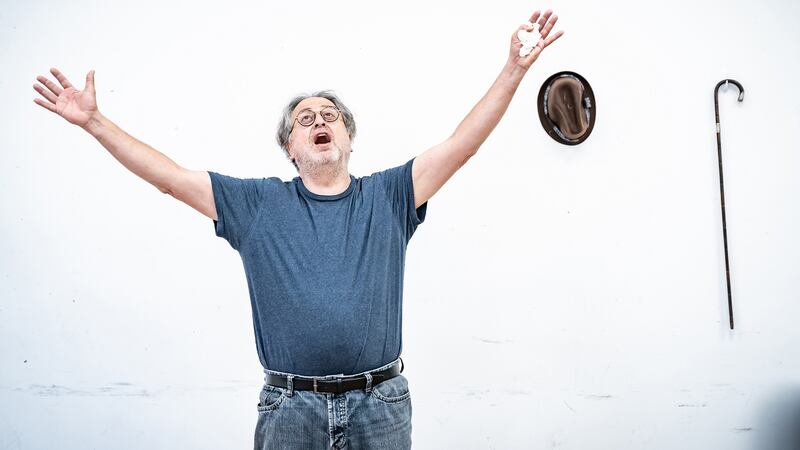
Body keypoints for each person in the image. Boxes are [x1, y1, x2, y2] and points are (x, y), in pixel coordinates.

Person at [33, 9, 563, 450]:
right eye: (304, 120)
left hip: (381, 406)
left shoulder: (390, 195)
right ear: (290, 148)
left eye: (329, 116)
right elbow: (169, 178)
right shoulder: (256, 204)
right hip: (290, 410)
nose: (319, 122)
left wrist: (514, 70)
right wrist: (94, 122)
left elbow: (461, 145)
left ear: (349, 139)